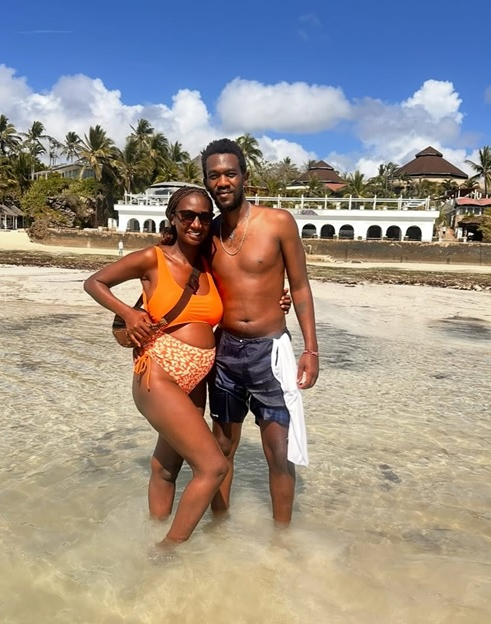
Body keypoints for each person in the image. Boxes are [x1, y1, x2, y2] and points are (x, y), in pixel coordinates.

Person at [83, 186, 229, 548]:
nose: (196, 223)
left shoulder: (208, 265)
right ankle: (168, 551)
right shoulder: (152, 258)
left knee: (166, 467)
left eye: (204, 217)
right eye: (187, 216)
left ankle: (150, 532)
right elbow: (94, 282)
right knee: (213, 467)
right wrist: (129, 313)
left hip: (196, 378)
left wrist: (279, 301)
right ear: (173, 218)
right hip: (159, 372)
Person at [201, 138, 320, 526]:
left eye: (230, 174)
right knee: (221, 450)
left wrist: (311, 350)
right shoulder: (207, 233)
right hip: (225, 354)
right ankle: (219, 533)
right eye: (213, 176)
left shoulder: (278, 222)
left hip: (270, 352)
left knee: (278, 452)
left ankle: (281, 542)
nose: (222, 182)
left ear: (244, 176)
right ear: (206, 182)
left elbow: (299, 287)